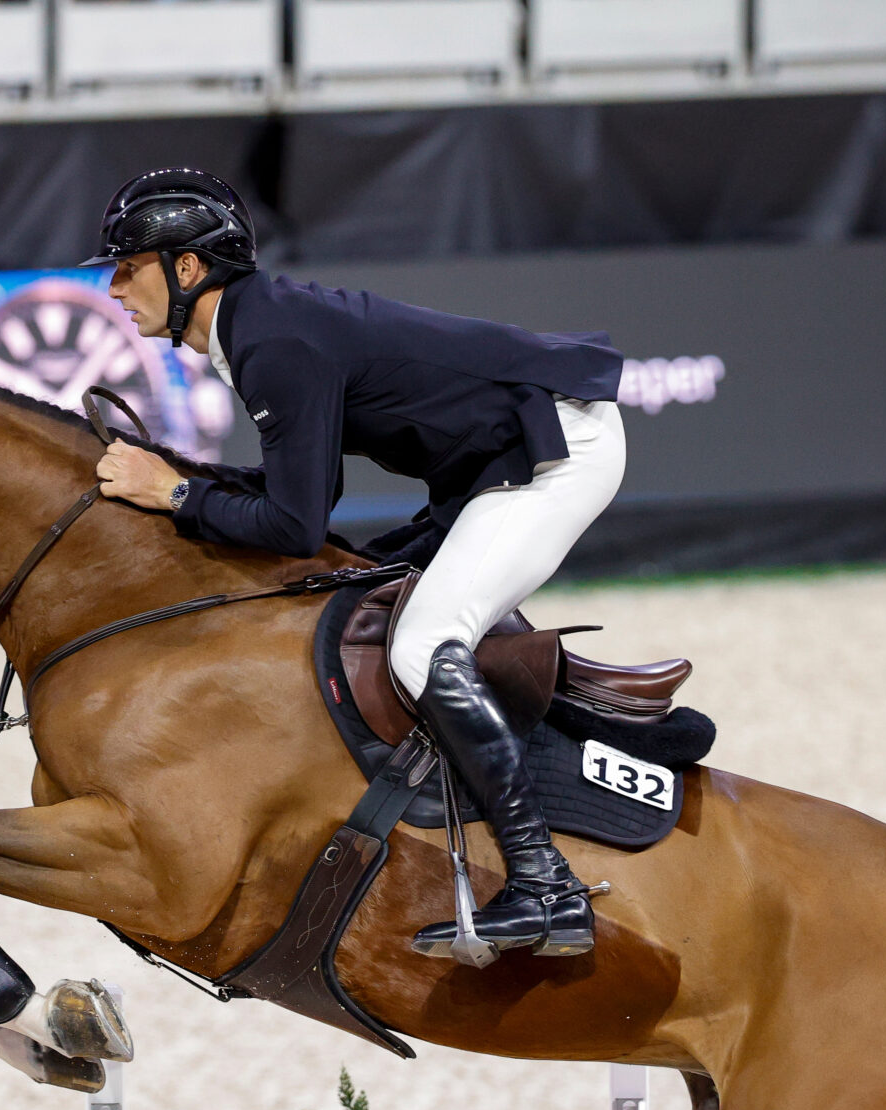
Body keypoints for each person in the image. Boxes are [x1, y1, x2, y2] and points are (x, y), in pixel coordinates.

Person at [86, 167, 628, 961]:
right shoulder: (254, 329)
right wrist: (181, 481)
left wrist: (173, 495)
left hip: (556, 452)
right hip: (496, 462)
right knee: (367, 583)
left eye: (126, 266)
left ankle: (547, 885)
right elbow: (301, 496)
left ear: (187, 270)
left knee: (420, 644)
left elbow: (294, 524)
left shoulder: (271, 339)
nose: (112, 287)